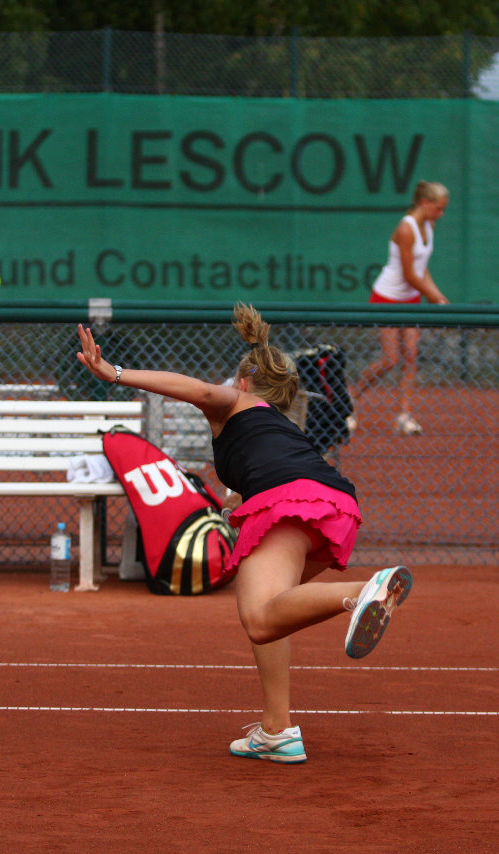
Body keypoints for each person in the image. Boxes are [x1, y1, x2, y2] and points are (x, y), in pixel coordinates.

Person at [76, 305, 412, 764]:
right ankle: (277, 730)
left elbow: (192, 389)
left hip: (290, 504)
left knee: (258, 617)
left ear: (245, 382)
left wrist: (112, 372)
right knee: (274, 612)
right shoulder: (276, 424)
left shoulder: (236, 401)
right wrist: (232, 502)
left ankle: (364, 591)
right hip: (334, 503)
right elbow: (263, 473)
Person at [349, 180, 450, 435]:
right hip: (388, 297)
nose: (441, 214)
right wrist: (435, 298)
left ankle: (404, 416)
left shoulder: (429, 225)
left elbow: (421, 267)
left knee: (411, 355)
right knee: (390, 359)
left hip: (411, 298)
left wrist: (437, 294)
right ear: (424, 203)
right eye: (438, 208)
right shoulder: (406, 229)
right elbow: (408, 274)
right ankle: (347, 401)